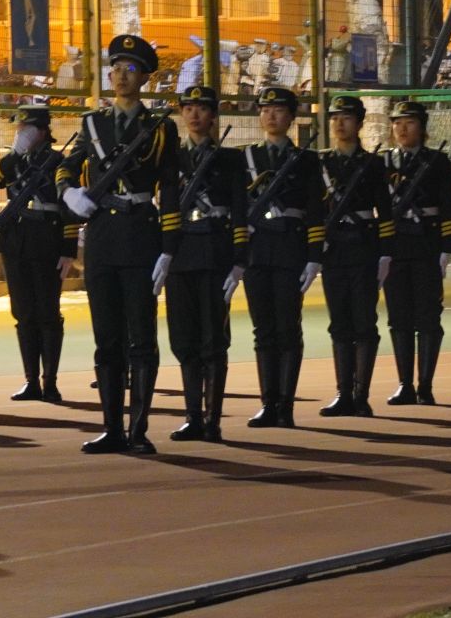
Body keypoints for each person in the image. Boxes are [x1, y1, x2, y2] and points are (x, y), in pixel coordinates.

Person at [59, 34, 180, 455]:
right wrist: (68, 192)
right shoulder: (93, 124)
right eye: (116, 68)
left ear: (144, 78)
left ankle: (138, 429)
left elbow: (170, 188)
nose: (121, 75)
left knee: (141, 337)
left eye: (130, 69)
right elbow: (67, 167)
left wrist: (168, 246)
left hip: (141, 233)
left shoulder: (161, 128)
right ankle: (112, 428)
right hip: (103, 238)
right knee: (106, 337)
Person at [156, 84, 248, 442]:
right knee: (184, 339)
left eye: (202, 108)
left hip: (214, 252)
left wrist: (239, 259)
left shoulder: (230, 159)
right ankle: (193, 416)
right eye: (188, 108)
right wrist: (165, 252)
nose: (194, 114)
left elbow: (240, 211)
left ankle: (212, 419)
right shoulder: (171, 159)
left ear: (213, 115)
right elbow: (166, 207)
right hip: (181, 254)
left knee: (213, 339)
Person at [239, 86, 324, 429]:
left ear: (291, 117)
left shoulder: (306, 160)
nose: (270, 115)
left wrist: (314, 255)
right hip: (258, 250)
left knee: (288, 327)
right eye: (264, 109)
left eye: (277, 110)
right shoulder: (246, 157)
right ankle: (267, 403)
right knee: (263, 329)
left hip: (290, 248)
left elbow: (316, 210)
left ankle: (285, 404)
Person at [0, 104, 74, 402]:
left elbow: (68, 209)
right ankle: (31, 381)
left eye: (26, 128)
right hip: (16, 242)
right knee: (23, 313)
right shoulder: (14, 160)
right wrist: (14, 152)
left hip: (46, 240)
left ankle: (50, 381)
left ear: (41, 131)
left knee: (47, 313)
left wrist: (68, 249)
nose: (20, 133)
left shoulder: (58, 161)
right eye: (19, 128)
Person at [318, 95, 395, 418]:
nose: (339, 123)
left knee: (364, 322)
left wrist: (385, 253)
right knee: (339, 323)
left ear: (359, 123)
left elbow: (385, 212)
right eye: (335, 117)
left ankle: (361, 395)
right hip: (334, 250)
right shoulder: (322, 163)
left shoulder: (373, 164)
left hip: (364, 247)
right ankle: (343, 393)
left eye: (346, 117)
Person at [384, 99, 451, 406]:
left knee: (428, 316)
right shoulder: (384, 162)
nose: (402, 129)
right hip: (395, 246)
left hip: (427, 244)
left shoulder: (437, 162)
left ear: (422, 127)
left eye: (409, 123)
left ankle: (425, 385)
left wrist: (446, 248)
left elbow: (448, 206)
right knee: (398, 317)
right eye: (397, 123)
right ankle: (405, 384)